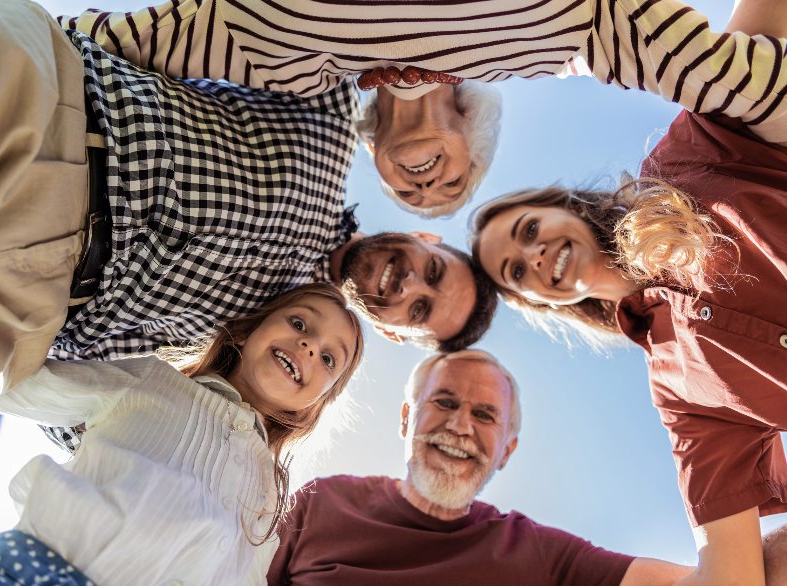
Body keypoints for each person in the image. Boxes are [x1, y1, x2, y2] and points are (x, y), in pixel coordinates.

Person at [0, 0, 495, 440]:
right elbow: (318, 20)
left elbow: (115, 428)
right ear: (425, 237)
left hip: (18, 310)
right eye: (434, 272)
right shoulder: (331, 120)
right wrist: (420, 103)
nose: (409, 284)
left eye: (418, 309)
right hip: (47, 117)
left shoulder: (253, 358)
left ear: (393, 332)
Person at [470, 3, 787, 575]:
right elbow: (733, 571)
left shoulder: (685, 159)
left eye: (528, 230)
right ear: (546, 303)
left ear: (561, 207)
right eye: (516, 272)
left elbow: (749, 48)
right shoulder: (680, 395)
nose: (533, 255)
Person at [64, 0, 787, 214]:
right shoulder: (559, 45)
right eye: (452, 183)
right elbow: (733, 80)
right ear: (475, 142)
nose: (424, 183)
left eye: (409, 191)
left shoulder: (277, 62)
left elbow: (93, 42)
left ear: (372, 160)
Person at [0, 283, 364, 585]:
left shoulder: (268, 501)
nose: (309, 346)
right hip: (36, 568)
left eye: (329, 359)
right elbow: (18, 384)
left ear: (318, 401)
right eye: (300, 324)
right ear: (249, 330)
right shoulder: (151, 381)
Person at [267, 350, 695, 585]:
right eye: (444, 402)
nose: (459, 426)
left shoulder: (539, 555)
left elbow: (702, 584)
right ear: (405, 419)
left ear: (506, 451)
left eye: (485, 416)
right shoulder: (322, 503)